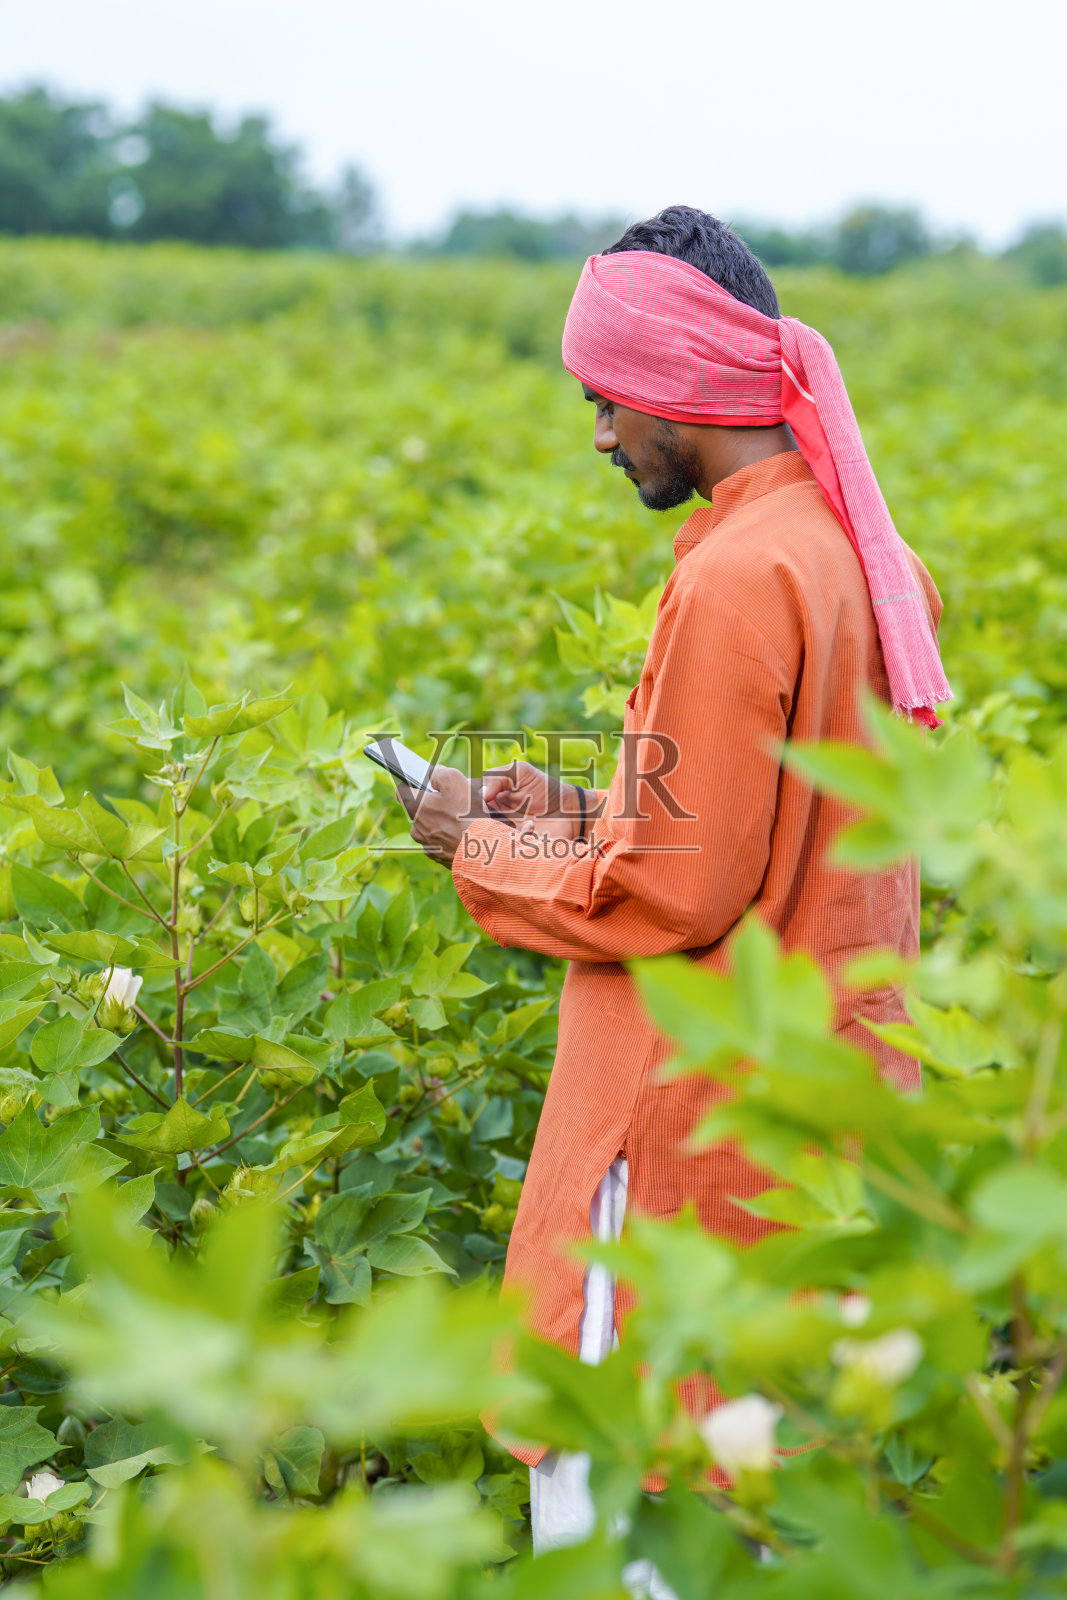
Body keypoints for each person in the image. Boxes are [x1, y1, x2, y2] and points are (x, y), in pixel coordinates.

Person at [395, 206, 950, 1587]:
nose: (601, 436)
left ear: (676, 388)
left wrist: (477, 845)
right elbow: (767, 839)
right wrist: (571, 810)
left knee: (638, 1525)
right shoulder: (854, 556)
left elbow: (674, 899)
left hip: (688, 1143)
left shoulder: (736, 576)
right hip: (816, 1131)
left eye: (605, 400)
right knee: (786, 1510)